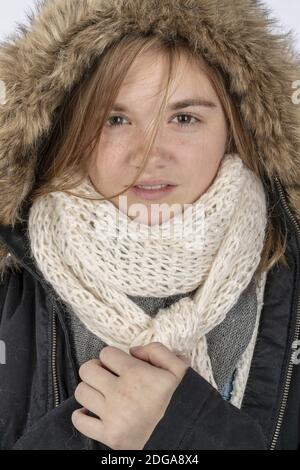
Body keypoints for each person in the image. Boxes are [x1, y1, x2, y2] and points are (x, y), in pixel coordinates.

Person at [0, 0, 300, 450]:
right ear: (69, 130)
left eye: (184, 118)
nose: (148, 155)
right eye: (115, 119)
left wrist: (186, 431)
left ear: (236, 130)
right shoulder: (10, 284)